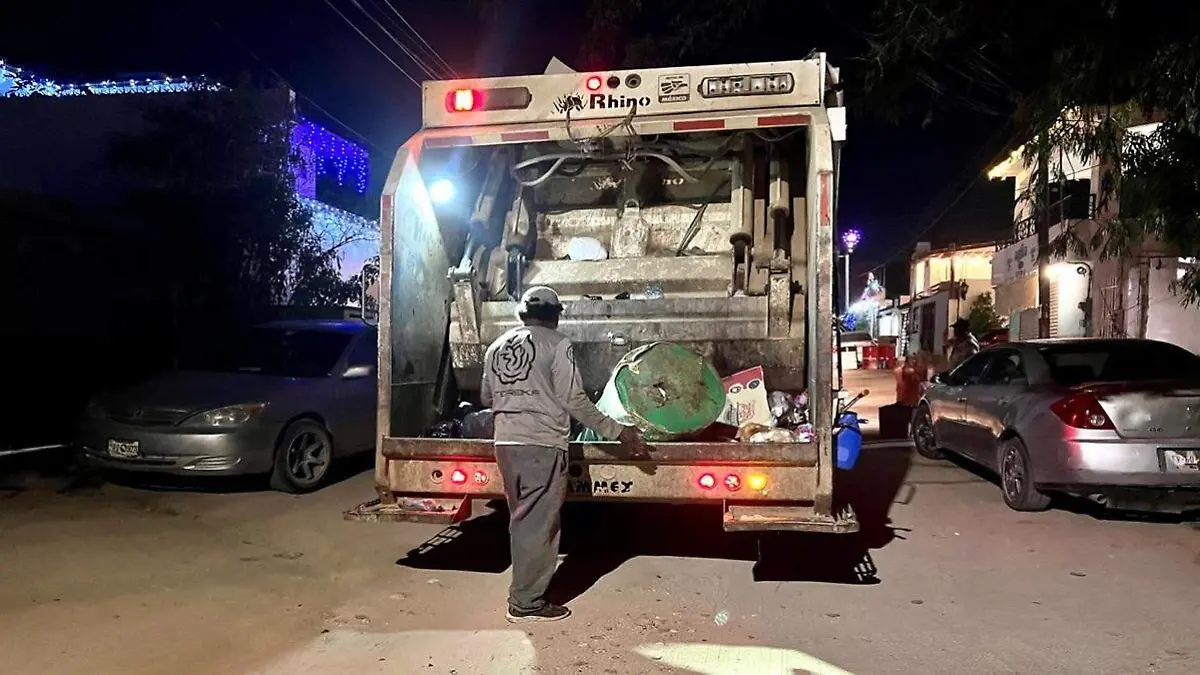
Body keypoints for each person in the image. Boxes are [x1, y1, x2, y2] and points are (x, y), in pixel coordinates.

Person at [481, 285, 647, 623]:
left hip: (506, 443)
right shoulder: (558, 345)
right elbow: (574, 400)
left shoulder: (496, 347)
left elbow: (487, 397)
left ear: (523, 313)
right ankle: (526, 601)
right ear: (555, 315)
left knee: (522, 518)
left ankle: (524, 590)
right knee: (539, 524)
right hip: (541, 444)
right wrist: (618, 431)